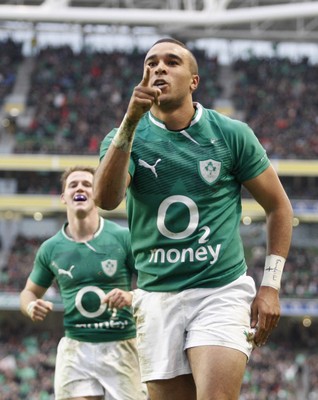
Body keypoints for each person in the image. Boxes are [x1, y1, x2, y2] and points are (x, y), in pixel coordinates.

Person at [93, 38, 294, 400]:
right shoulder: (125, 137)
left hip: (220, 291)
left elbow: (279, 207)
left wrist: (271, 286)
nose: (159, 69)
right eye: (151, 63)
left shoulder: (230, 135)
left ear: (193, 81)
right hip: (157, 296)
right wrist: (129, 123)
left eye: (172, 62)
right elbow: (106, 200)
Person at [20, 166, 147, 400]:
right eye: (73, 185)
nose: (80, 188)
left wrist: (131, 297)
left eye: (87, 184)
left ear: (97, 193)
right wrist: (31, 306)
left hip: (122, 346)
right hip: (76, 348)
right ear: (63, 197)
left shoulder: (122, 238)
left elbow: (153, 285)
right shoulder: (50, 248)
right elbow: (29, 292)